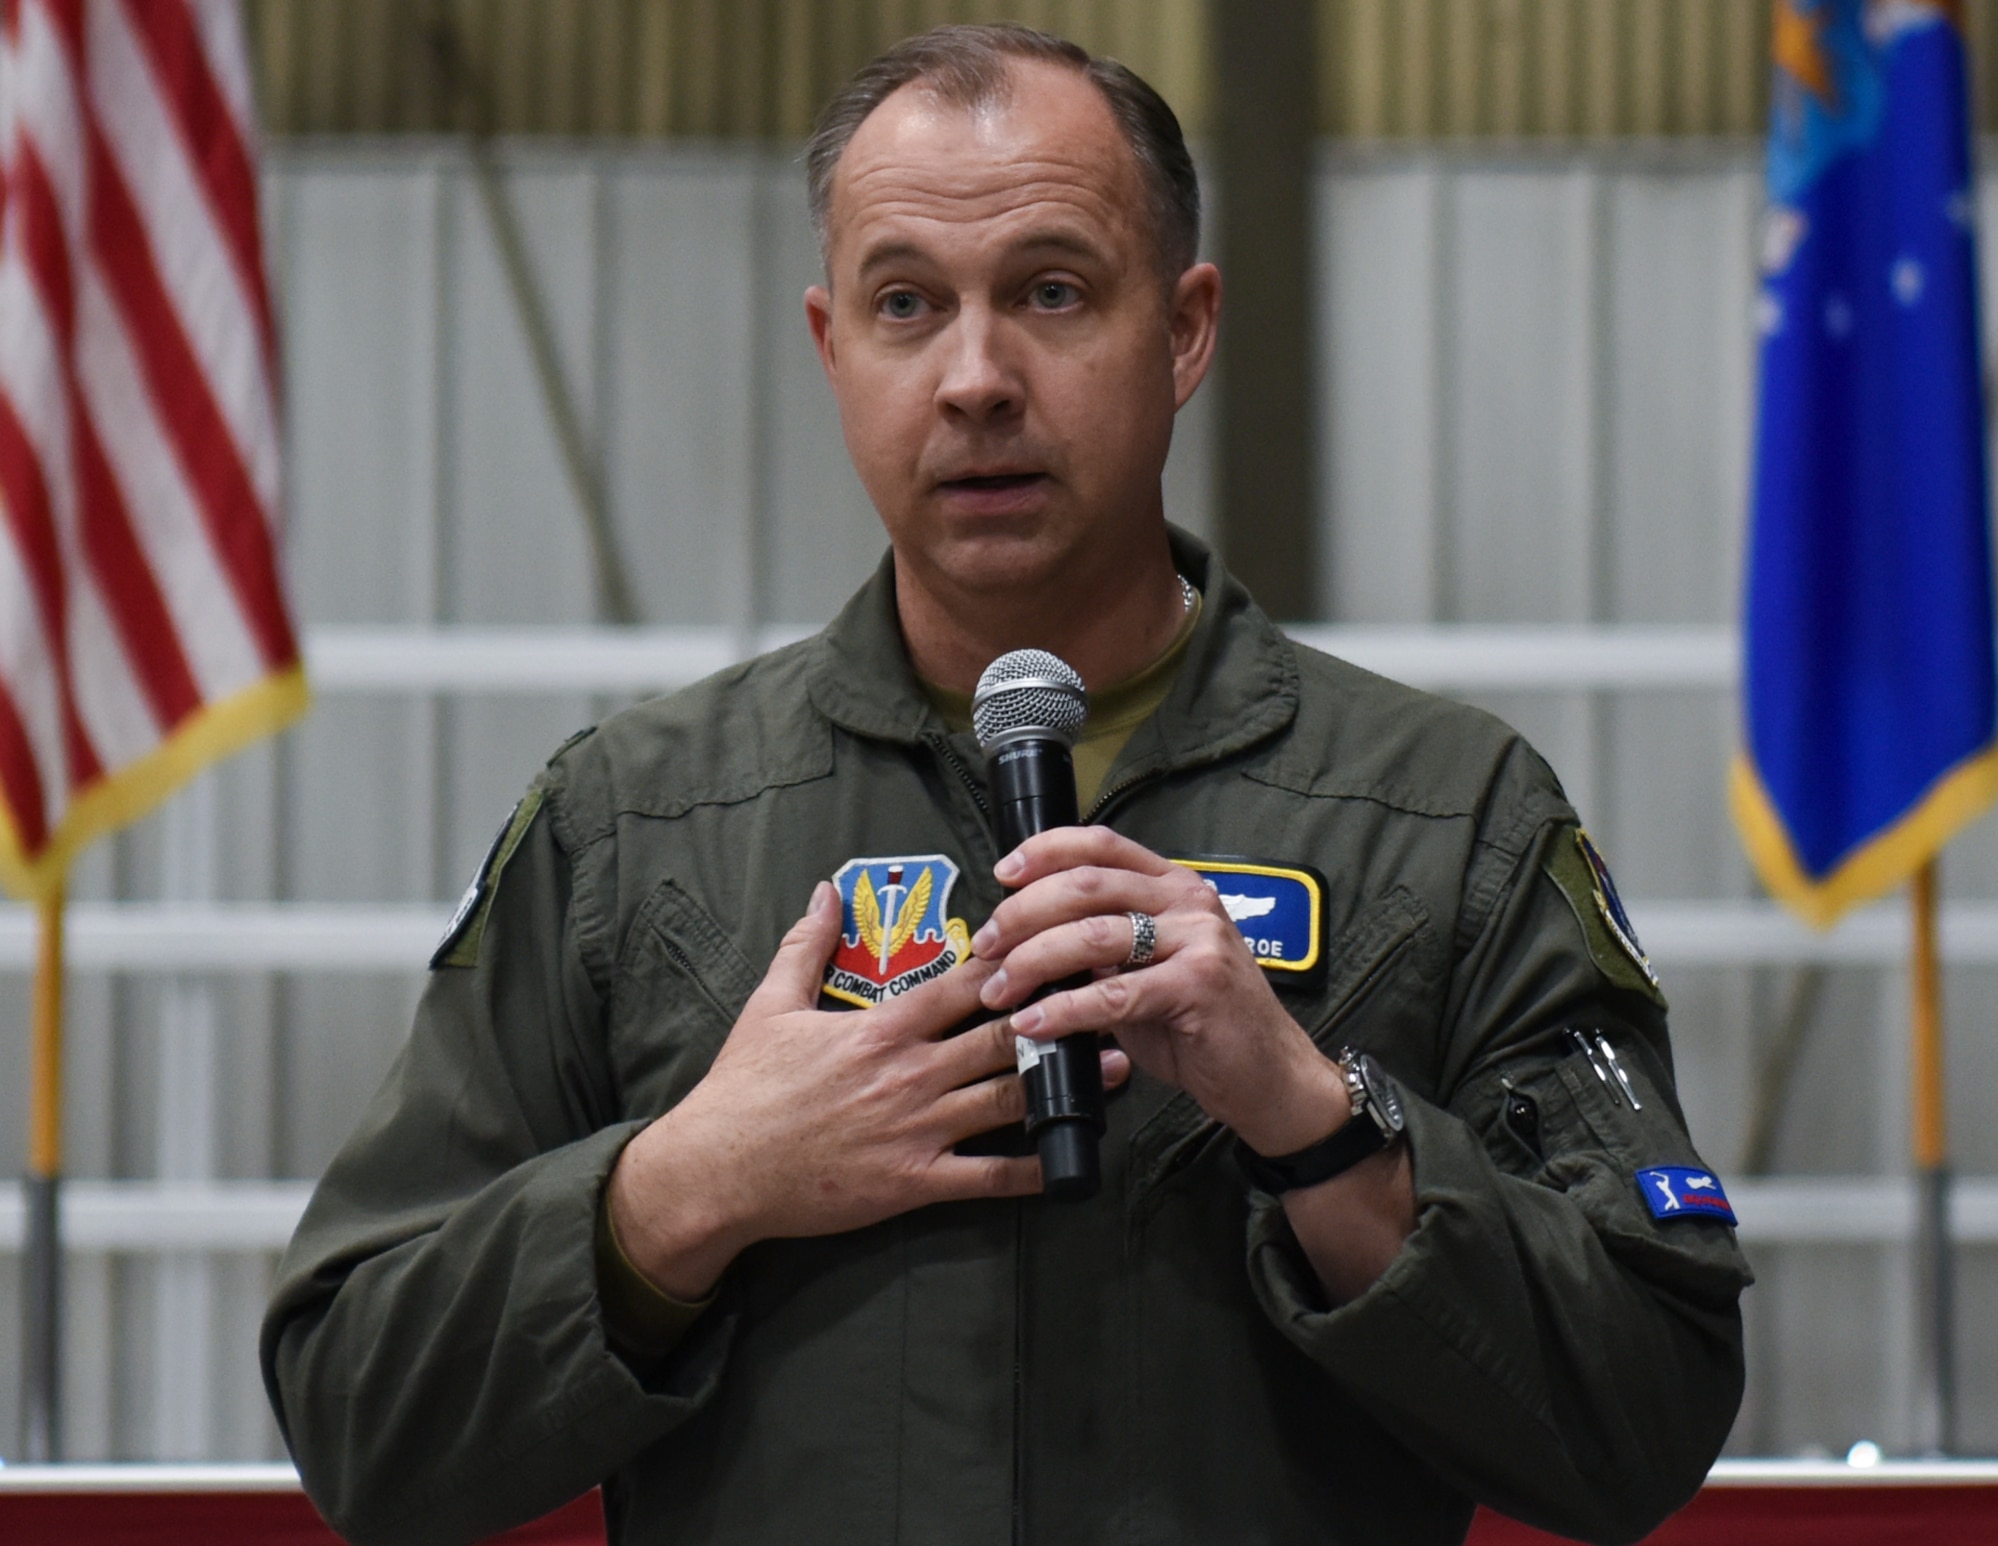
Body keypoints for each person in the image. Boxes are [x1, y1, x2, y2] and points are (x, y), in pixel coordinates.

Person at [262, 24, 1749, 1546]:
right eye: (908, 304)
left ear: (1183, 331)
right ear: (834, 348)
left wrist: (1312, 1119)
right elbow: (362, 1419)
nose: (976, 379)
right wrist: (690, 1184)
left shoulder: (1445, 819)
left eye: (1051, 292)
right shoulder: (638, 823)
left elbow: (1643, 1417)